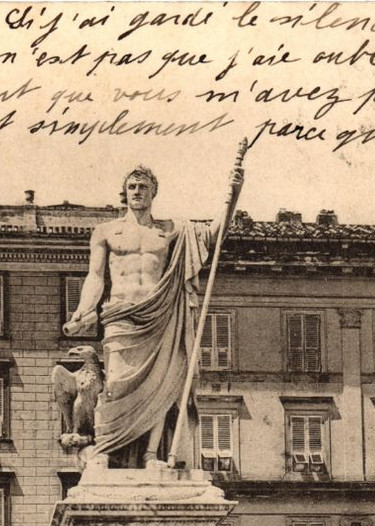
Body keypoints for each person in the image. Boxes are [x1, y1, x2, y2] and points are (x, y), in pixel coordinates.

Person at [64, 163, 244, 466]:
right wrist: (83, 310)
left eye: (143, 187)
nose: (137, 192)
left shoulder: (170, 230)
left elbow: (214, 236)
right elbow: (95, 276)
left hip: (160, 314)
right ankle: (106, 447)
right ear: (125, 192)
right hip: (121, 314)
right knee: (116, 384)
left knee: (162, 384)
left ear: (153, 193)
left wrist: (234, 193)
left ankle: (150, 455)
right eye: (132, 186)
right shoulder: (105, 232)